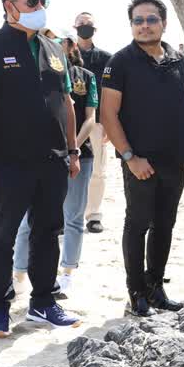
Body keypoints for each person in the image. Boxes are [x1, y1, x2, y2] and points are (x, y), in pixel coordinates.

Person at [0, 0, 82, 338]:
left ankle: (43, 303)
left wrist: (73, 151)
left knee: (48, 232)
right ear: (9, 6)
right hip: (8, 163)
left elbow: (66, 103)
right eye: (33, 1)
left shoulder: (54, 49)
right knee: (1, 235)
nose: (40, 7)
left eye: (43, 0)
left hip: (52, 161)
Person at [101, 0, 184, 317]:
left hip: (175, 161)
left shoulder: (180, 60)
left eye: (151, 19)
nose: (144, 25)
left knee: (165, 224)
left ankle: (155, 287)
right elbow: (108, 114)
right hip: (140, 163)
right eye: (138, 20)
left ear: (163, 23)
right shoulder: (119, 62)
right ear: (131, 25)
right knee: (137, 224)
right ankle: (136, 293)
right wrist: (130, 157)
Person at [12, 33, 98, 296]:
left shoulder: (86, 76)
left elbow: (89, 118)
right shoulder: (33, 73)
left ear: (70, 46)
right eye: (48, 40)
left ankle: (68, 273)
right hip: (42, 156)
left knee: (73, 218)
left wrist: (72, 146)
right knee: (29, 220)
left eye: (61, 39)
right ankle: (18, 274)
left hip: (79, 156)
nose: (55, 44)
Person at [74, 12, 112, 235]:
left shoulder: (107, 58)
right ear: (74, 27)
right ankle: (67, 213)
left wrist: (108, 123)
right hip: (69, 121)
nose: (84, 27)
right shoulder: (64, 54)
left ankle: (94, 215)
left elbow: (111, 93)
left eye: (88, 25)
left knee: (97, 170)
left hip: (97, 122)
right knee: (67, 168)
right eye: (81, 24)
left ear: (95, 29)